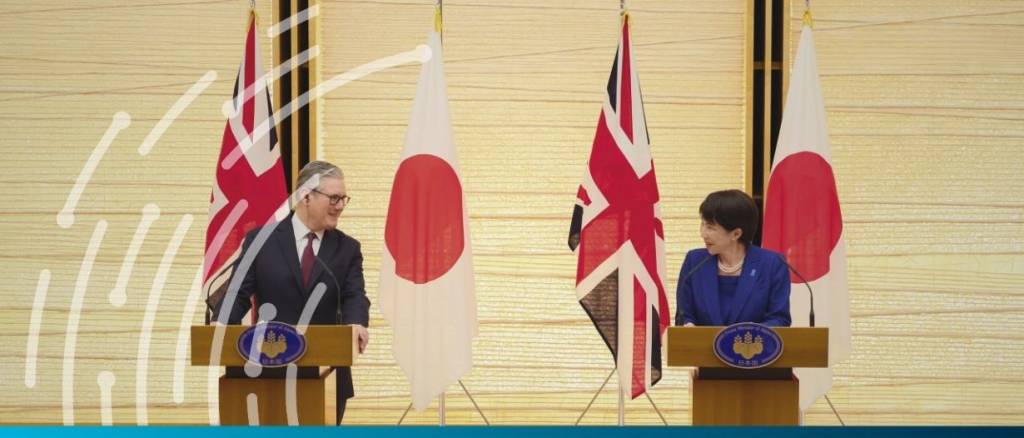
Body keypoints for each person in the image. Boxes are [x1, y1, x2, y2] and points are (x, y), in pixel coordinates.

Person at [214, 160, 370, 424]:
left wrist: (356, 323)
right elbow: (237, 294)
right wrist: (220, 324)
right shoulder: (260, 241)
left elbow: (355, 295)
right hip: (265, 377)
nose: (341, 206)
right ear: (305, 196)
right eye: (334, 198)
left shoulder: (348, 249)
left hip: (326, 378)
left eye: (344, 198)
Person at [675, 189, 791, 327]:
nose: (703, 234)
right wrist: (688, 324)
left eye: (710, 227)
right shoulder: (694, 261)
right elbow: (684, 314)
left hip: (753, 347)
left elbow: (779, 319)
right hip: (701, 347)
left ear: (736, 234)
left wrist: (743, 336)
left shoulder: (772, 264)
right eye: (703, 225)